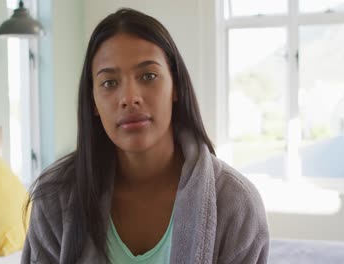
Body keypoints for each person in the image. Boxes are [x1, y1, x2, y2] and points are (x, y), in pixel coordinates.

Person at [21, 8, 269, 264]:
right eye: (109, 83)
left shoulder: (235, 204)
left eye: (148, 76)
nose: (129, 98)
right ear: (93, 101)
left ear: (176, 86)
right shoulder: (55, 198)